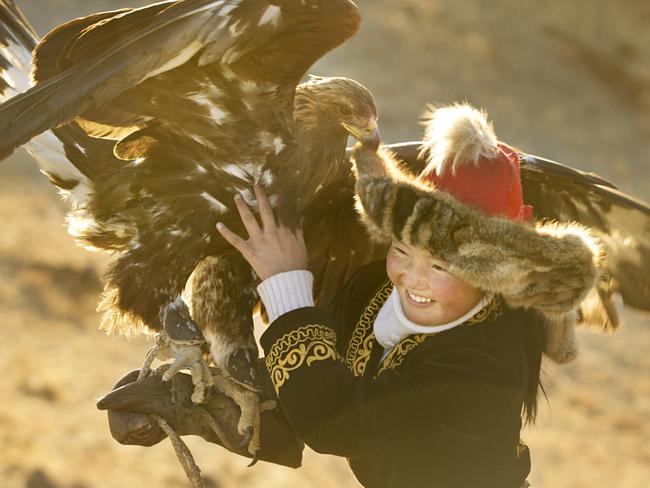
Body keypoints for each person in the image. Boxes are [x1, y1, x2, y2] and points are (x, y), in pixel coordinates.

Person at [102, 103, 600, 488]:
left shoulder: (483, 363)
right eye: (402, 249)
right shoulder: (376, 291)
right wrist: (200, 410)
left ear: (489, 272)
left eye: (440, 265)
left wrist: (286, 280)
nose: (412, 279)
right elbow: (312, 387)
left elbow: (333, 420)